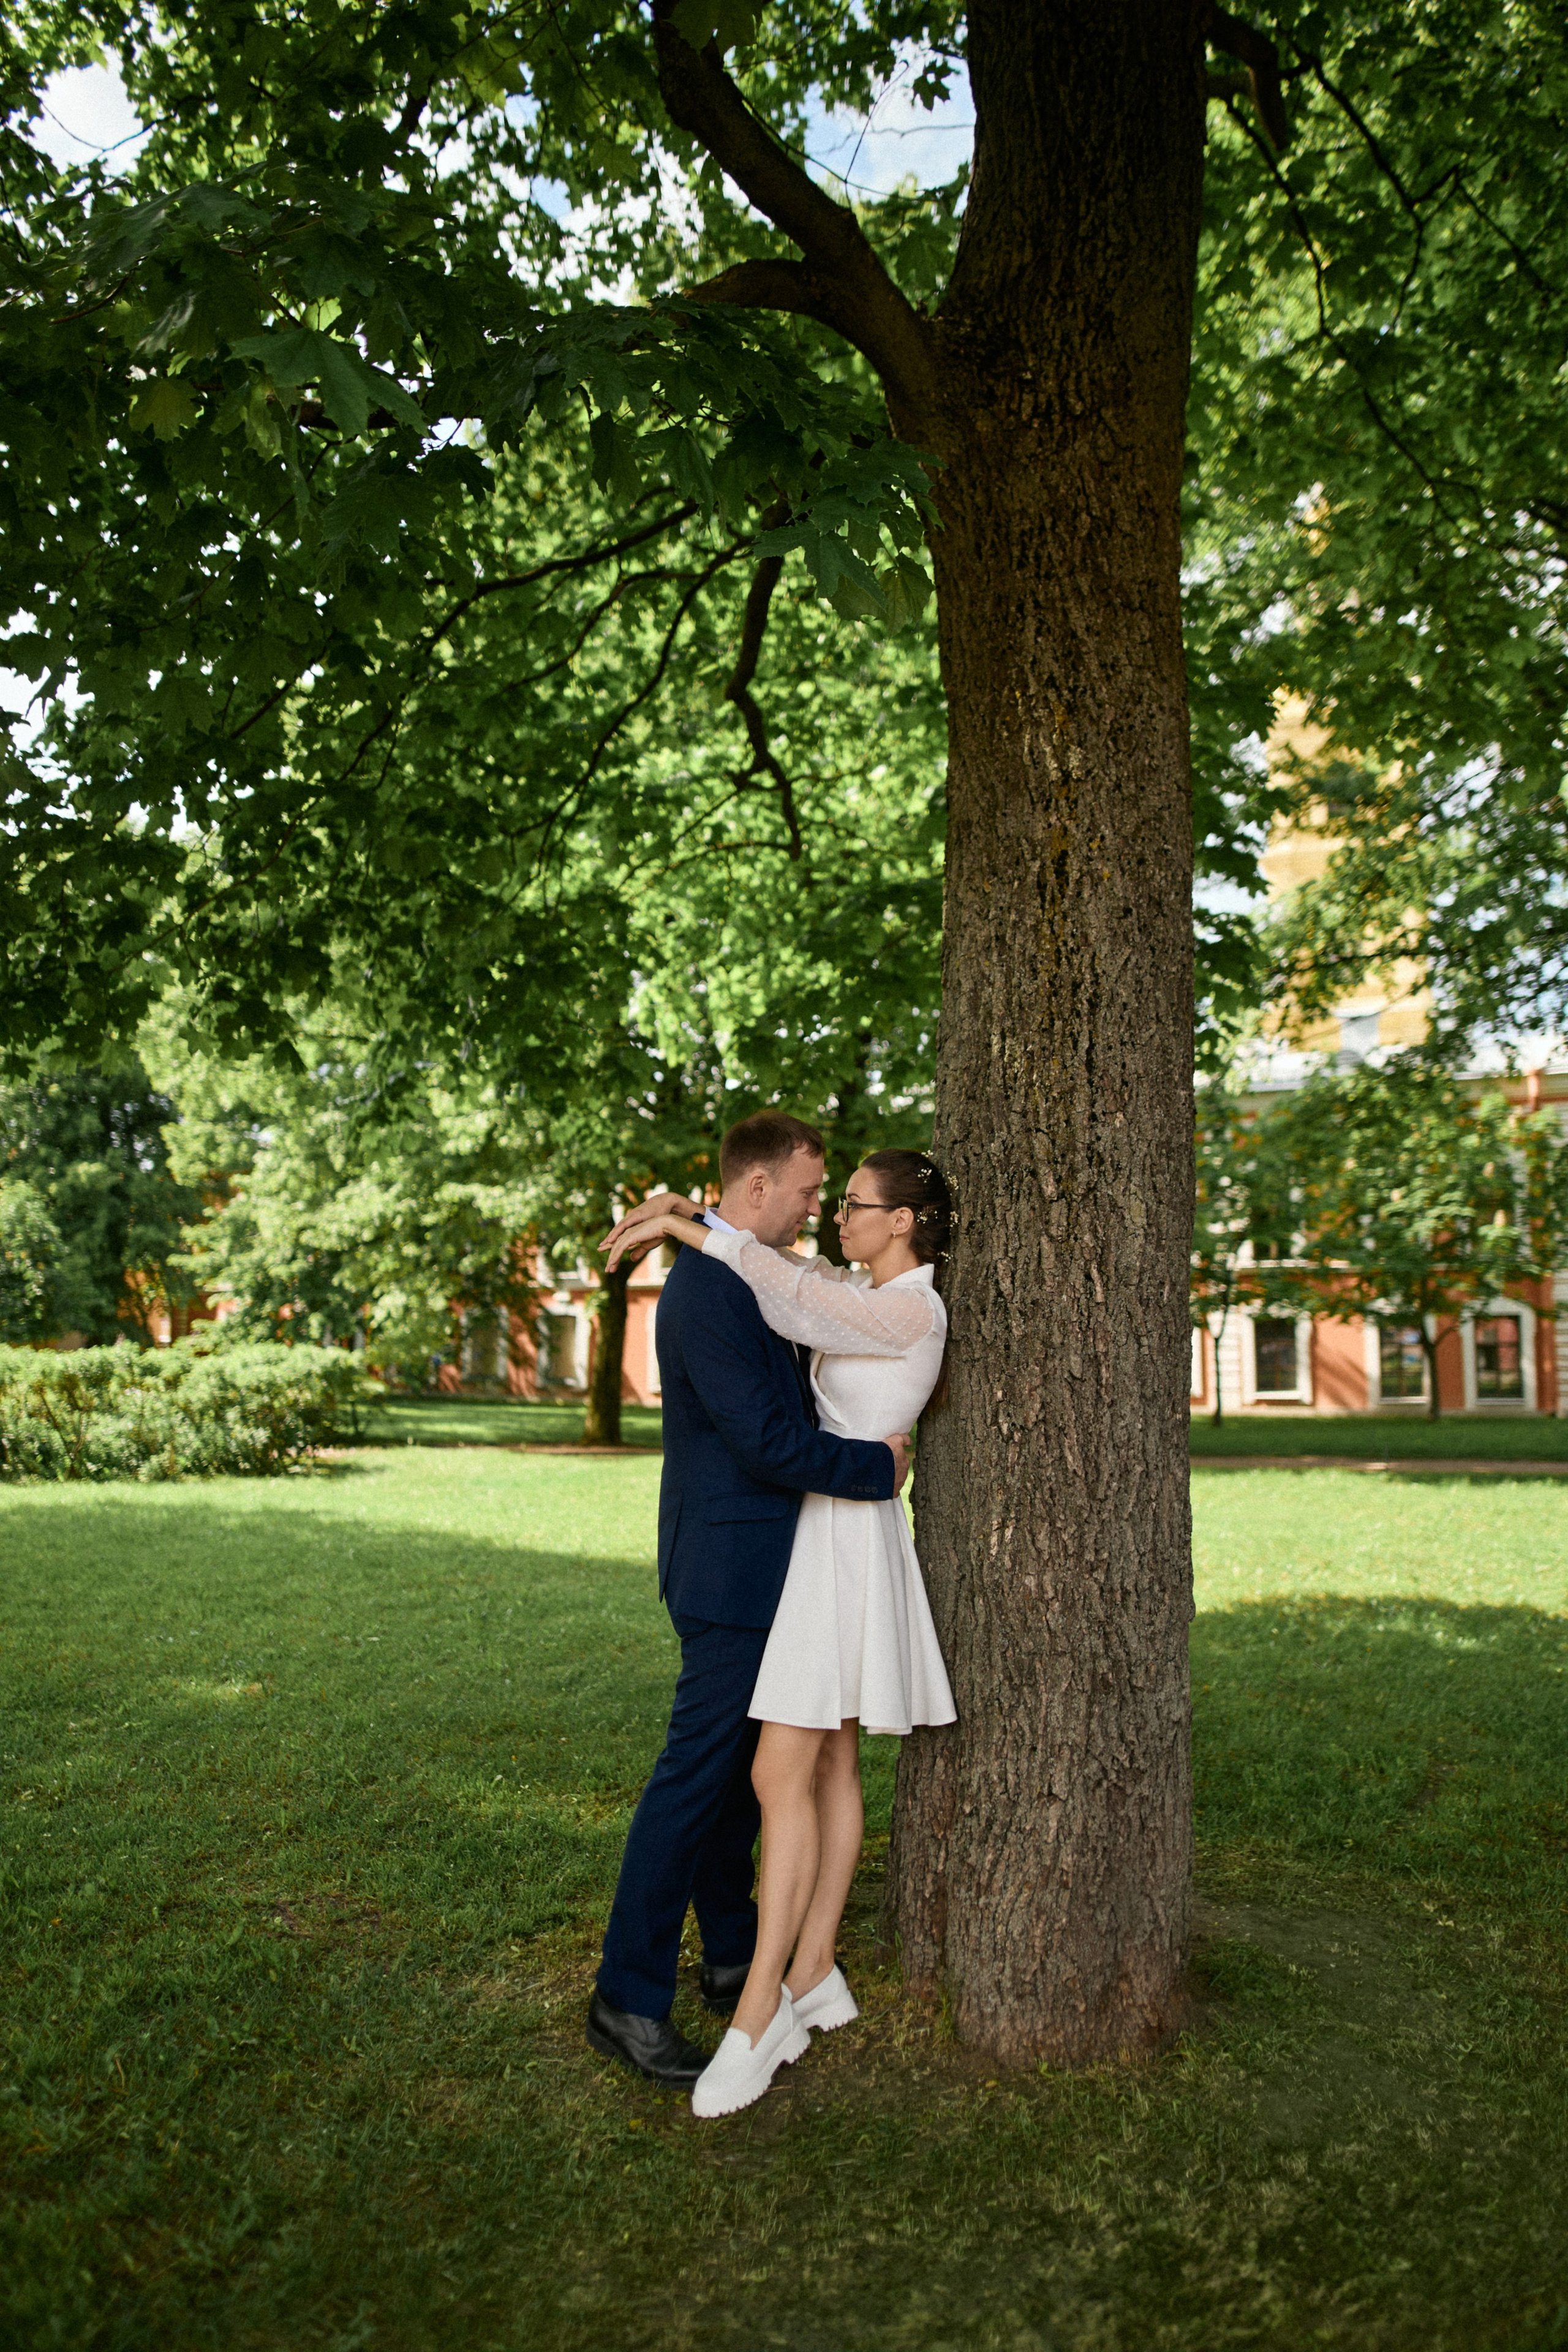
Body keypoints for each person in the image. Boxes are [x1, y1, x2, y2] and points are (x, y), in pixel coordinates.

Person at [603, 1146, 956, 2119]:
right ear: (758, 1185)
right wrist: (691, 1222)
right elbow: (794, 1305)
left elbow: (798, 1295)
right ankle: (669, 1987)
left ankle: (779, 1978)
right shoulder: (787, 1285)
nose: (826, 1212)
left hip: (832, 1548)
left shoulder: (906, 1309)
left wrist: (689, 1225)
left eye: (849, 1201)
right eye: (815, 1194)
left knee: (788, 1772)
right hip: (776, 1549)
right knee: (739, 1774)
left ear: (903, 1221)